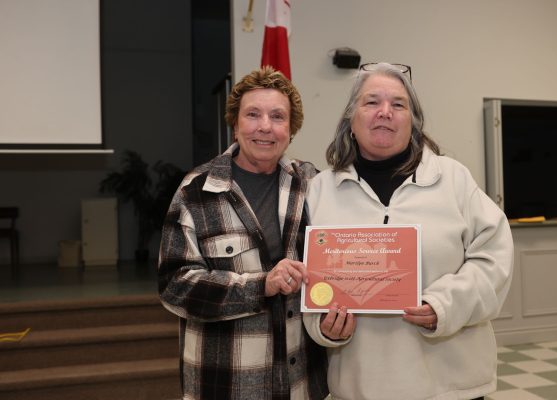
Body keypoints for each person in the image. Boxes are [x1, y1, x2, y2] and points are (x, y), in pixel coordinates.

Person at [302, 62, 514, 400]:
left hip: (452, 386)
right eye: (371, 102)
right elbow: (309, 281)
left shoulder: (453, 179)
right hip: (361, 386)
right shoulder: (320, 190)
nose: (385, 112)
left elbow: (494, 259)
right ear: (350, 119)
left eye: (398, 104)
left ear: (413, 121)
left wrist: (444, 306)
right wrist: (325, 327)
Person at [158, 66, 328, 400]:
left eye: (278, 116)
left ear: (291, 129)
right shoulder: (196, 191)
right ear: (235, 124)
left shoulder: (312, 185)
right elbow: (174, 285)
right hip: (226, 384)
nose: (265, 126)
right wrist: (260, 285)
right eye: (253, 114)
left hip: (302, 384)